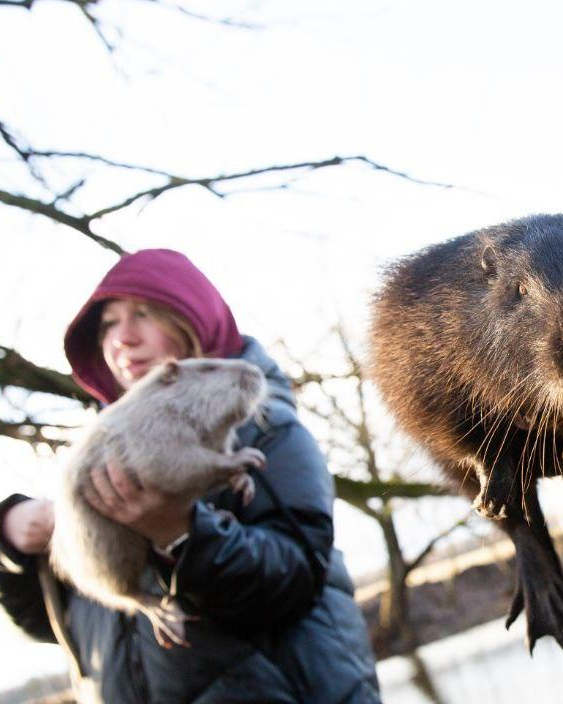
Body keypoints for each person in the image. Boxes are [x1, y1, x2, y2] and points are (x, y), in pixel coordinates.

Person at [0, 249, 381, 703]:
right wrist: (13, 548)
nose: (122, 338)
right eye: (108, 325)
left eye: (143, 313)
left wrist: (178, 531)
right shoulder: (97, 459)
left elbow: (293, 583)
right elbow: (58, 624)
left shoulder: (264, 431)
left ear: (194, 319)